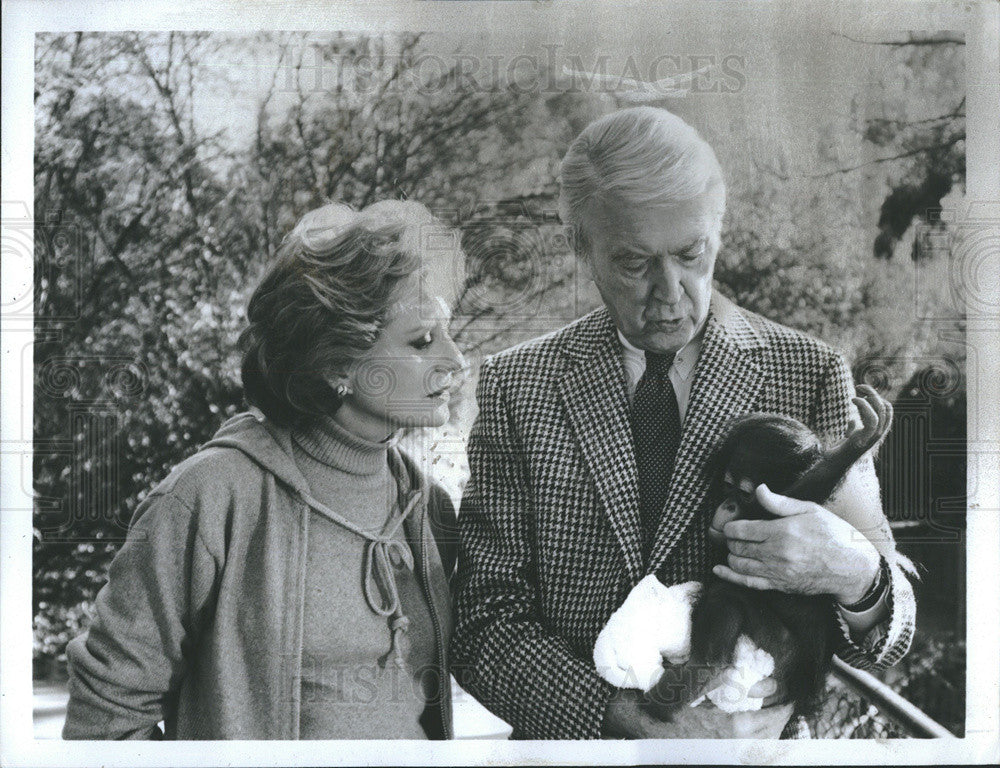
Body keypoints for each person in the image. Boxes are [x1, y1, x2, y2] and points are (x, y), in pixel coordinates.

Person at [451, 107, 916, 739]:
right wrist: (628, 721)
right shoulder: (518, 387)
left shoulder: (809, 372)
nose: (670, 292)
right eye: (634, 263)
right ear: (580, 248)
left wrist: (855, 574)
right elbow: (484, 624)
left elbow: (891, 630)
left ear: (718, 235)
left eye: (691, 254)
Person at [63, 200, 465, 739]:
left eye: (448, 331)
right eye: (422, 340)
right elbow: (105, 721)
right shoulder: (209, 498)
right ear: (335, 361)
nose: (457, 360)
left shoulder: (427, 505)